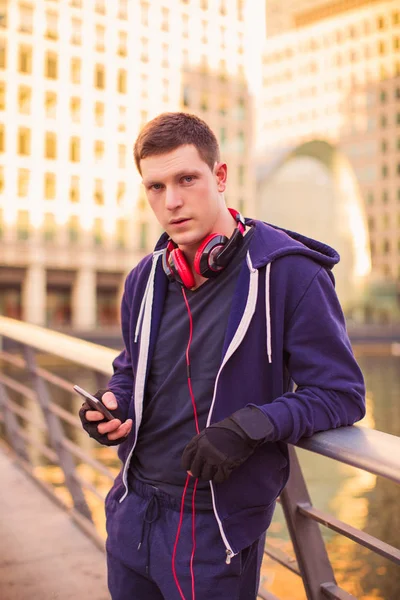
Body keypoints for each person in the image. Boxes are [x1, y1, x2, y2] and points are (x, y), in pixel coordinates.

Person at [79, 112, 365, 600]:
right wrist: (114, 405)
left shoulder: (291, 274)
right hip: (131, 512)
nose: (171, 201)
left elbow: (341, 395)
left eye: (186, 179)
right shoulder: (142, 280)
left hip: (215, 532)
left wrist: (250, 425)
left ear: (221, 176)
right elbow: (129, 369)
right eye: (155, 186)